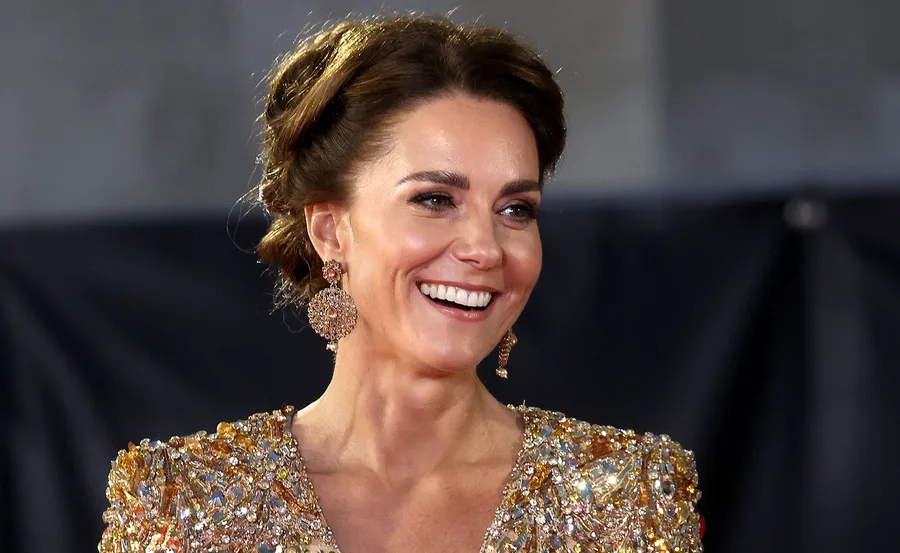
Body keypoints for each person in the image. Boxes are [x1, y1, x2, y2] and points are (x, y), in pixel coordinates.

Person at [98, 15, 703, 553]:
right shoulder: (181, 504)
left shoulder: (630, 498)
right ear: (331, 231)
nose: (485, 249)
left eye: (516, 209)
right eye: (435, 199)